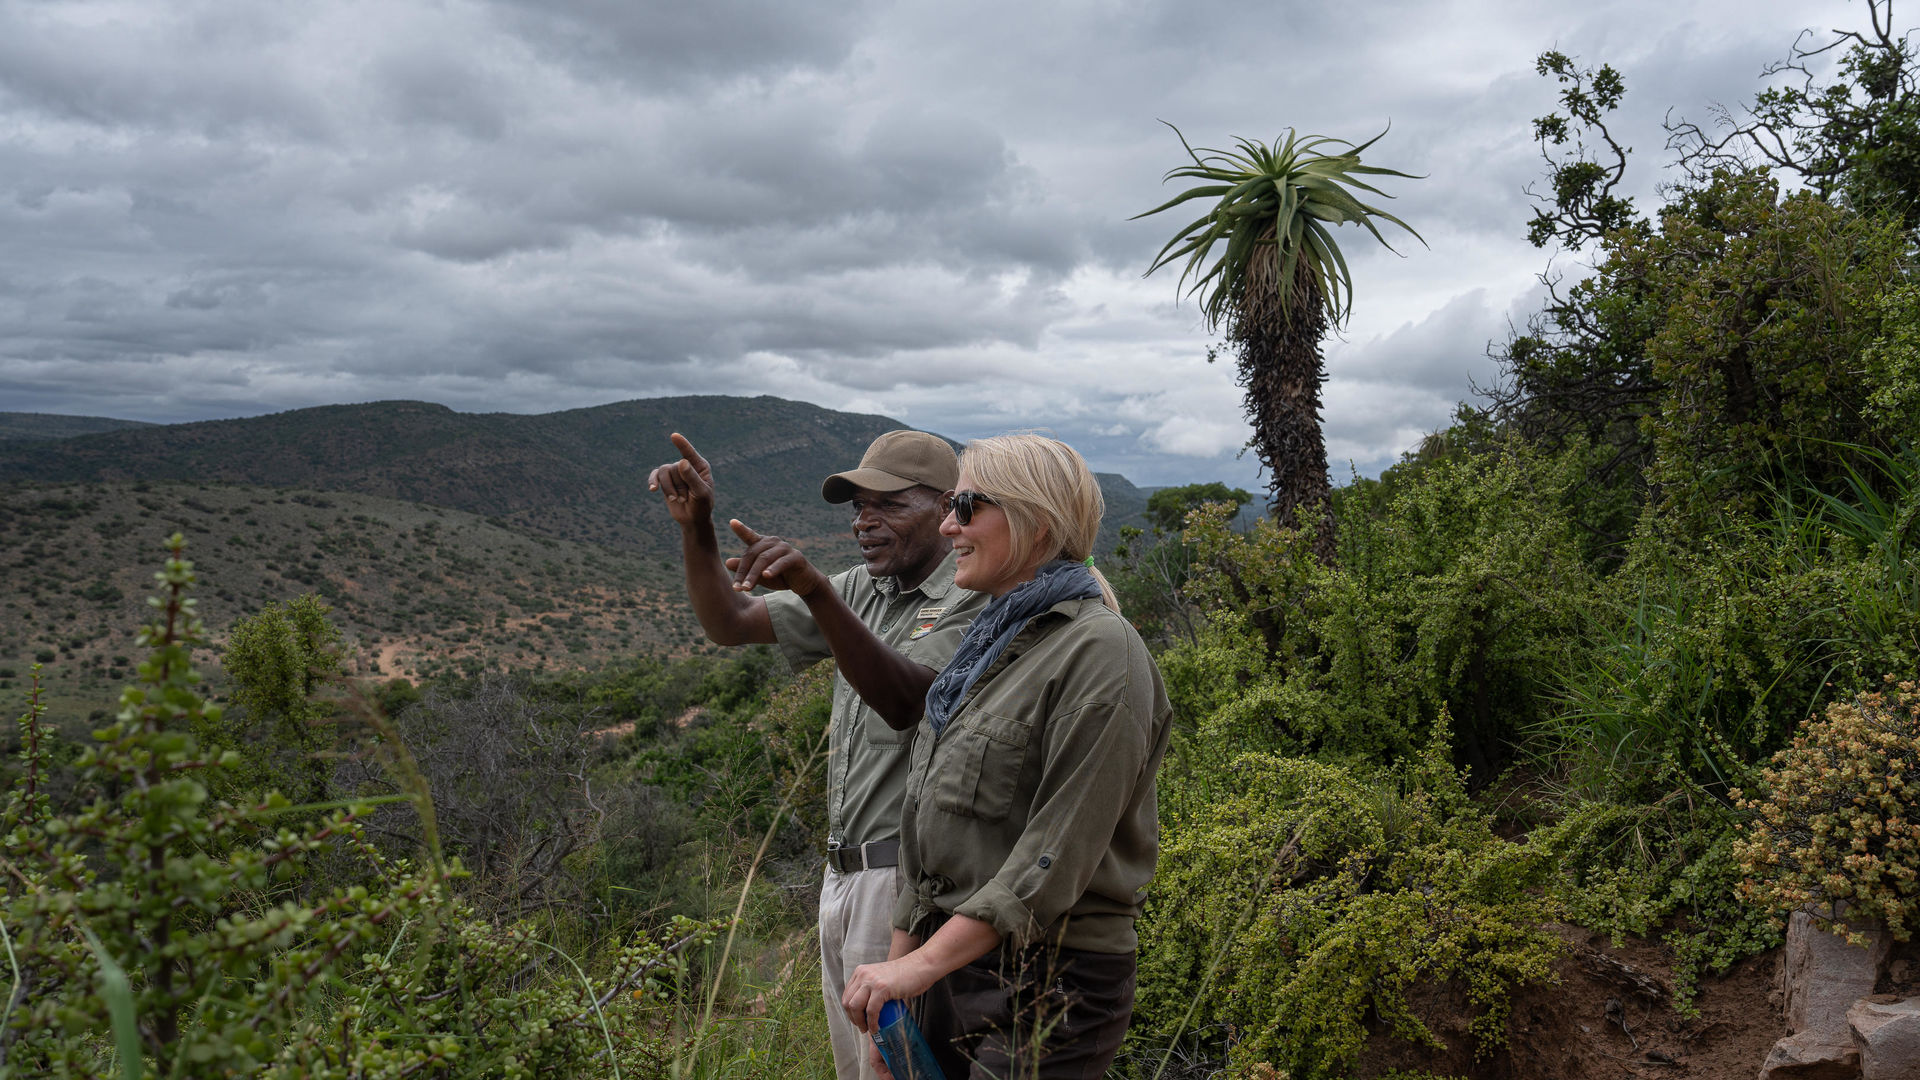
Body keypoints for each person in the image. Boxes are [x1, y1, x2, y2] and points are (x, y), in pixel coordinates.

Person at [647, 429, 987, 1080]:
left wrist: (816, 591)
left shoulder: (968, 594)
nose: (864, 521)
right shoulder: (862, 589)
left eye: (886, 505)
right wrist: (698, 531)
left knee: (898, 1067)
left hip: (906, 884)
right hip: (840, 877)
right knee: (857, 1069)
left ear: (946, 509)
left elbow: (908, 701)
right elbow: (730, 622)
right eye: (857, 507)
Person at [839, 434, 1173, 1079]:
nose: (947, 526)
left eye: (964, 508)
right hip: (946, 967)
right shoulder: (984, 653)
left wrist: (917, 967)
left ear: (1034, 520)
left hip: (1049, 980)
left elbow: (1056, 851)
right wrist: (897, 988)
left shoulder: (1100, 652)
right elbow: (925, 834)